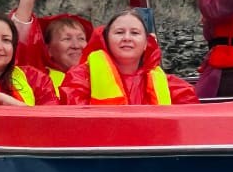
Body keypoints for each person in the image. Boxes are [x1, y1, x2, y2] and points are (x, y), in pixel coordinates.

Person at [59, 9, 198, 106]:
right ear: (106, 40)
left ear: (146, 44)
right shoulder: (79, 79)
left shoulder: (172, 86)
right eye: (119, 32)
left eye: (135, 33)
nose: (127, 38)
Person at [8, 0, 92, 95]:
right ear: (49, 50)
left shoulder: (101, 74)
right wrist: (27, 0)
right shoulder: (38, 77)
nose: (76, 46)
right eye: (67, 39)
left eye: (81, 38)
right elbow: (17, 46)